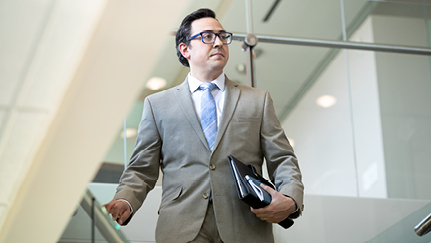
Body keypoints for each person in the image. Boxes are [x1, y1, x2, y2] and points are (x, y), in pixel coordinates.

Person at [104, 8, 304, 243]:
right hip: (181, 226)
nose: (218, 42)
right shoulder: (158, 104)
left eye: (222, 36)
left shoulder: (257, 100)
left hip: (246, 226)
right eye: (208, 36)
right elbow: (141, 169)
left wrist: (290, 200)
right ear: (185, 49)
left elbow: (283, 159)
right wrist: (126, 199)